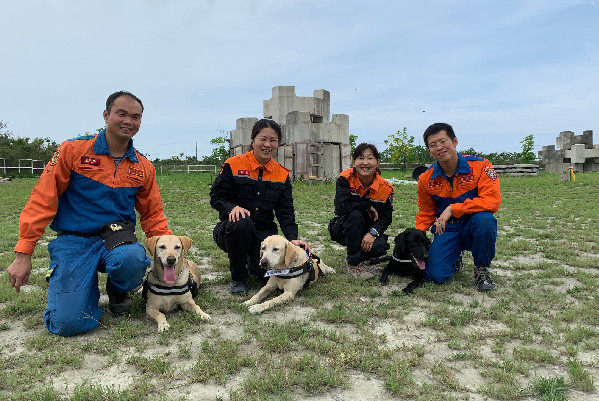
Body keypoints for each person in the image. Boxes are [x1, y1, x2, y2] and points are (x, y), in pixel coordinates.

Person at [7, 91, 172, 336]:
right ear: (106, 115)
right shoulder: (72, 151)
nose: (129, 121)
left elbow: (153, 215)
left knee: (133, 259)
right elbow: (42, 200)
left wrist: (170, 251)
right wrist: (24, 252)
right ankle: (82, 291)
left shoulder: (143, 166)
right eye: (122, 114)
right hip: (74, 240)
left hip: (117, 238)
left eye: (136, 117)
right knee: (68, 323)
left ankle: (118, 289)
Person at [210, 118, 309, 295]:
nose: (267, 144)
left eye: (273, 140)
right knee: (242, 222)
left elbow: (285, 210)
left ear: (278, 143)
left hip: (263, 236)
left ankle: (250, 260)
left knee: (263, 273)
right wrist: (232, 208)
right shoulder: (233, 165)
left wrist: (292, 238)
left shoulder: (282, 174)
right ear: (253, 139)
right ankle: (238, 278)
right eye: (262, 139)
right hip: (231, 230)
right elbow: (216, 196)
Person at [415, 122, 501, 291]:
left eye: (443, 141)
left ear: (455, 141)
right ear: (429, 151)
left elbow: (492, 201)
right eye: (433, 145)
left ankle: (482, 269)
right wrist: (417, 234)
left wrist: (454, 208)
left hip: (473, 226)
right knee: (436, 276)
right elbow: (426, 211)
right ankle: (454, 257)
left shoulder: (480, 166)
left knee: (485, 220)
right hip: (447, 229)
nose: (439, 147)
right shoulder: (426, 179)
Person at [329, 143, 394, 280]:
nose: (365, 162)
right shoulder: (345, 178)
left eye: (370, 158)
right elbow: (340, 207)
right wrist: (366, 206)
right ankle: (354, 264)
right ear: (354, 162)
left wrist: (372, 233)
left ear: (377, 163)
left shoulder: (386, 188)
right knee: (355, 215)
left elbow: (386, 218)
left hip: (367, 229)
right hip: (342, 227)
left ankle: (357, 254)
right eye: (360, 158)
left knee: (380, 247)